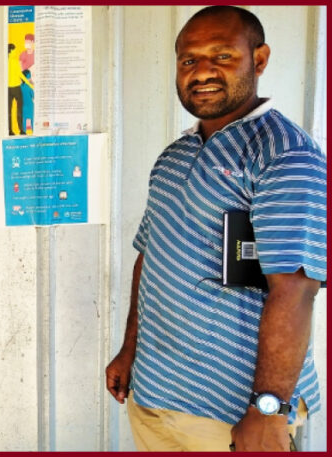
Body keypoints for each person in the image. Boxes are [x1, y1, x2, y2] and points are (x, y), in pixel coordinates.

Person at [104, 6, 326, 452]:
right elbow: (151, 257)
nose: (202, 71)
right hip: (154, 394)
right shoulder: (174, 157)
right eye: (189, 60)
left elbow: (295, 290)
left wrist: (267, 411)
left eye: (222, 56)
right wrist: (130, 349)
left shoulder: (284, 155)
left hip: (230, 412)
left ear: (259, 60)